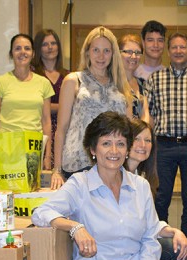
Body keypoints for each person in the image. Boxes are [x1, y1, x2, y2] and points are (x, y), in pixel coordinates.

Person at [32, 111, 167, 260]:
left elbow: (150, 237)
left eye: (120, 143)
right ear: (93, 149)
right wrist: (75, 227)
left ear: (127, 149)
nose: (113, 150)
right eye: (106, 143)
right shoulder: (79, 184)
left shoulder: (141, 186)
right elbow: (41, 213)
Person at [145, 32, 187, 260]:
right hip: (164, 145)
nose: (178, 51)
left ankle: (185, 252)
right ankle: (160, 248)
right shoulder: (156, 78)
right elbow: (151, 113)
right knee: (161, 198)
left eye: (183, 47)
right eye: (174, 48)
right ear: (169, 51)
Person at [51, 26, 132, 189]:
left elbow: (128, 129)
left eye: (106, 51)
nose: (101, 56)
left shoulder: (120, 85)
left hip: (111, 163)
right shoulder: (74, 80)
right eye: (96, 50)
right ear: (87, 52)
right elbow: (61, 128)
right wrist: (56, 170)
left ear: (113, 54)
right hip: (78, 163)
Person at [126, 119, 187, 260]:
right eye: (137, 139)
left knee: (177, 248)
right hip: (120, 250)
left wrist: (175, 231)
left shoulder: (144, 177)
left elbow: (151, 223)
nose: (143, 145)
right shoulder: (116, 175)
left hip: (138, 245)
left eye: (148, 140)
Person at [0, 33, 54, 169]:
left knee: (31, 189)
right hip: (6, 148)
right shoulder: (0, 82)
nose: (22, 52)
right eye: (18, 48)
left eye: (27, 48)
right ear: (11, 53)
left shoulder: (43, 83)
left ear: (33, 54)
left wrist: (47, 156)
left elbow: (46, 122)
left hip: (33, 149)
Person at [32, 29, 70, 169]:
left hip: (64, 130)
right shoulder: (32, 75)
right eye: (45, 44)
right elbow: (37, 106)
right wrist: (63, 107)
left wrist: (52, 107)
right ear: (38, 48)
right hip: (40, 129)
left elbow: (75, 106)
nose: (50, 47)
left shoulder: (68, 75)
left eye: (53, 43)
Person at [118, 34, 150, 122]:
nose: (133, 56)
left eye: (137, 52)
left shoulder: (142, 84)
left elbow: (145, 115)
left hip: (138, 134)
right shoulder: (110, 83)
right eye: (128, 52)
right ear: (118, 53)